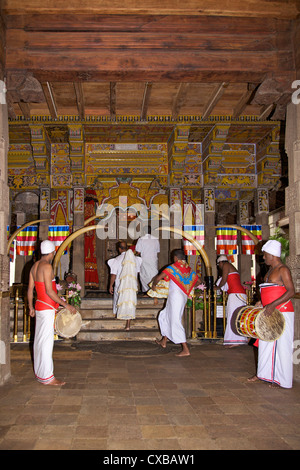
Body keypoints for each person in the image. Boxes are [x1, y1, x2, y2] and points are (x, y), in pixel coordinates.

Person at [27, 240, 77, 386]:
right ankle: (48, 377)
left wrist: (30, 306)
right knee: (46, 342)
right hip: (47, 306)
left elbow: (30, 290)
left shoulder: (34, 266)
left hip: (39, 306)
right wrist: (66, 304)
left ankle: (40, 373)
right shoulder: (47, 267)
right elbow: (49, 291)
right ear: (52, 252)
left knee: (39, 340)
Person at [248, 240, 295, 388]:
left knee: (281, 346)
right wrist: (262, 303)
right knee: (265, 343)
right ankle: (264, 374)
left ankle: (281, 379)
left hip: (282, 311)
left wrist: (273, 305)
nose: (263, 258)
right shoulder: (269, 270)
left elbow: (291, 291)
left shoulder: (283, 269)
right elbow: (270, 290)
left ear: (273, 255)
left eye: (265, 255)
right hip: (269, 310)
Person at [152, 249, 200, 357]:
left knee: (175, 321)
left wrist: (154, 285)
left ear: (175, 258)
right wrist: (188, 288)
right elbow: (199, 281)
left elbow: (159, 277)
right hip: (181, 296)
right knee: (164, 315)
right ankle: (164, 341)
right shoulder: (188, 268)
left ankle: (185, 349)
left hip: (175, 297)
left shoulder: (173, 267)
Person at [108, 241, 142, 329]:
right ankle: (128, 325)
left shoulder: (117, 260)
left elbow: (113, 275)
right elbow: (137, 273)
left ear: (119, 249)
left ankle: (117, 316)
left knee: (118, 300)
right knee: (130, 302)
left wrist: (110, 285)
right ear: (126, 248)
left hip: (120, 286)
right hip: (132, 286)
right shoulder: (134, 259)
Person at [216, 255, 248, 347]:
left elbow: (224, 280)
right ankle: (237, 340)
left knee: (233, 316)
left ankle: (234, 341)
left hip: (235, 294)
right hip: (237, 293)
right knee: (237, 317)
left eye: (219, 265)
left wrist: (217, 287)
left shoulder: (226, 265)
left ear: (221, 262)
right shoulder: (231, 266)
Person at [135, 225, 160, 293]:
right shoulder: (155, 239)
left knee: (144, 276)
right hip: (153, 260)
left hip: (144, 260)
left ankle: (146, 291)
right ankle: (154, 291)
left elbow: (138, 251)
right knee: (153, 274)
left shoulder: (141, 239)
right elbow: (157, 251)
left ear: (143, 231)